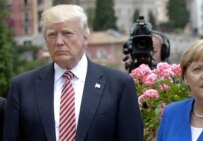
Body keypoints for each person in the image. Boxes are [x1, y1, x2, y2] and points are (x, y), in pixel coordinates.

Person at [3, 4, 143, 141]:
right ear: (45, 40)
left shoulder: (119, 85)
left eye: (67, 33)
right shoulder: (22, 87)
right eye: (52, 35)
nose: (59, 42)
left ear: (86, 37)